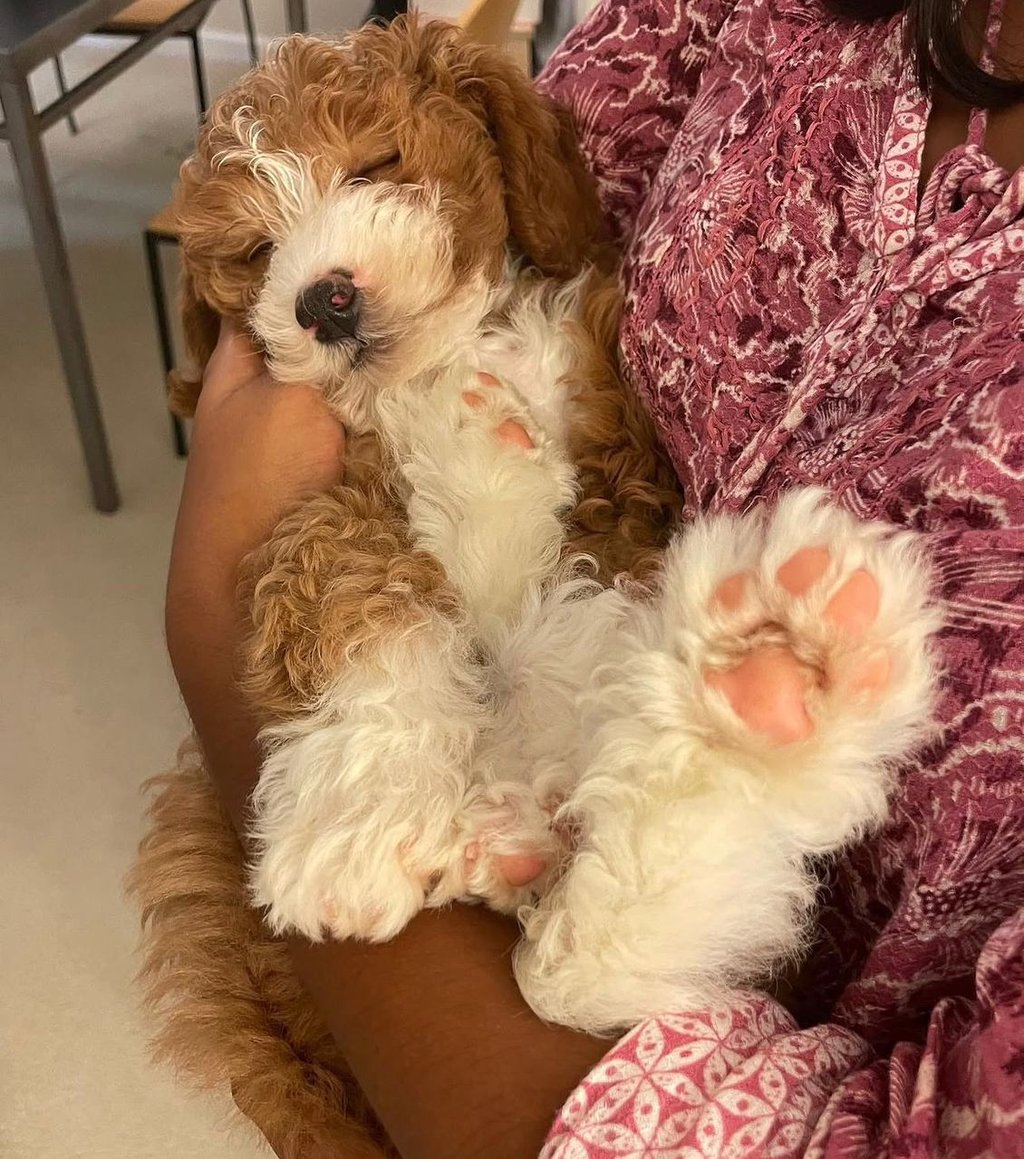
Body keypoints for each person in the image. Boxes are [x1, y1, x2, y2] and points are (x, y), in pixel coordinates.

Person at [165, 0, 1024, 1155]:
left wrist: (214, 619)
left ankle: (657, 862)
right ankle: (648, 844)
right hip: (482, 760)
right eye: (261, 254)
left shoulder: (553, 319)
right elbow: (569, 151)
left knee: (587, 831)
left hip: (580, 933)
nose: (316, 275)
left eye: (373, 172)